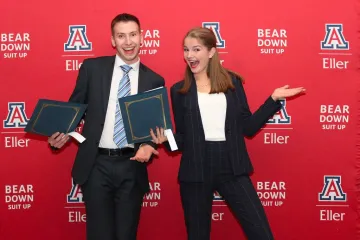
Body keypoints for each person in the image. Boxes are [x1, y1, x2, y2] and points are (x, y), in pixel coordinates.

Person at [150, 27, 305, 240]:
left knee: (260, 232)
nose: (190, 55)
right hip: (195, 169)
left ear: (211, 52)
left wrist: (273, 100)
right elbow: (183, 139)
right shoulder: (179, 90)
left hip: (232, 165)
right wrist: (167, 141)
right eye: (186, 50)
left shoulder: (232, 83)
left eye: (196, 49)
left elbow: (248, 128)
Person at [48, 13, 165, 240]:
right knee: (99, 235)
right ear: (113, 40)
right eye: (121, 36)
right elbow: (75, 109)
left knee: (126, 235)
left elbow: (155, 127)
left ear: (142, 37)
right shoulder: (92, 68)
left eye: (132, 35)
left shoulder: (154, 80)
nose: (128, 42)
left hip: (132, 167)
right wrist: (59, 137)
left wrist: (149, 144)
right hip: (96, 166)